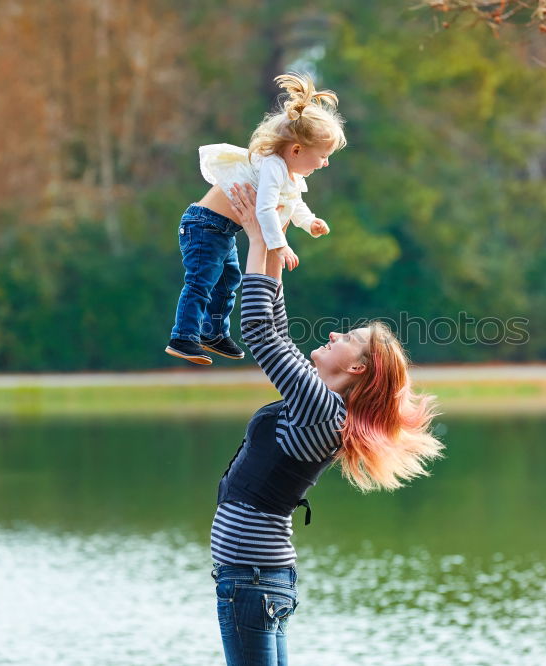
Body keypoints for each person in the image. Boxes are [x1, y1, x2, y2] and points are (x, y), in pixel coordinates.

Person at [209, 182, 444, 666]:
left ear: (357, 368)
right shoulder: (322, 405)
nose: (335, 333)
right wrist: (272, 238)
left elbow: (257, 331)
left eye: (349, 338)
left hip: (253, 579)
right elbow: (272, 327)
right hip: (260, 579)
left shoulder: (320, 407)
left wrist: (256, 235)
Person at [165, 73, 346, 366]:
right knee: (202, 280)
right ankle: (183, 337)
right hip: (203, 225)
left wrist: (309, 221)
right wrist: (279, 246)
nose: (325, 163)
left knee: (229, 280)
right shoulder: (272, 165)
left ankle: (213, 333)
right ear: (297, 150)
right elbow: (264, 210)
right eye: (323, 156)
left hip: (221, 230)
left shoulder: (288, 173)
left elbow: (293, 203)